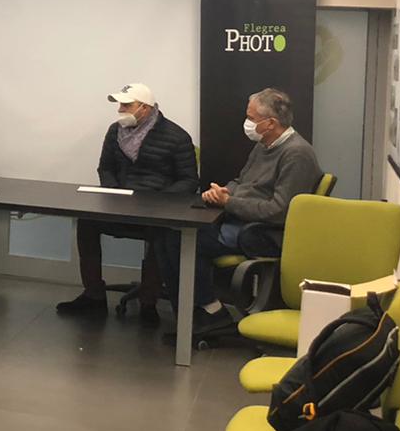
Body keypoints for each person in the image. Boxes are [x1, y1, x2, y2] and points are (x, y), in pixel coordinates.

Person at [180, 88, 322, 333]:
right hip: (240, 219)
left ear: (270, 123)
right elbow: (242, 181)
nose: (247, 123)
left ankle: (210, 310)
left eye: (251, 118)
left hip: (262, 232)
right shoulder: (264, 144)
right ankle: (192, 309)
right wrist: (223, 191)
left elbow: (279, 211)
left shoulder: (297, 154)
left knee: (185, 240)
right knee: (172, 234)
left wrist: (228, 202)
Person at [56, 83, 198, 324]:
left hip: (156, 210)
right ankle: (93, 295)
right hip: (119, 206)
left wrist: (158, 201)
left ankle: (148, 302)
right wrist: (115, 193)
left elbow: (189, 180)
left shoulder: (177, 136)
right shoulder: (115, 131)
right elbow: (105, 168)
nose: (121, 110)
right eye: (120, 105)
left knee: (161, 232)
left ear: (145, 108)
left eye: (126, 105)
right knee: (87, 221)